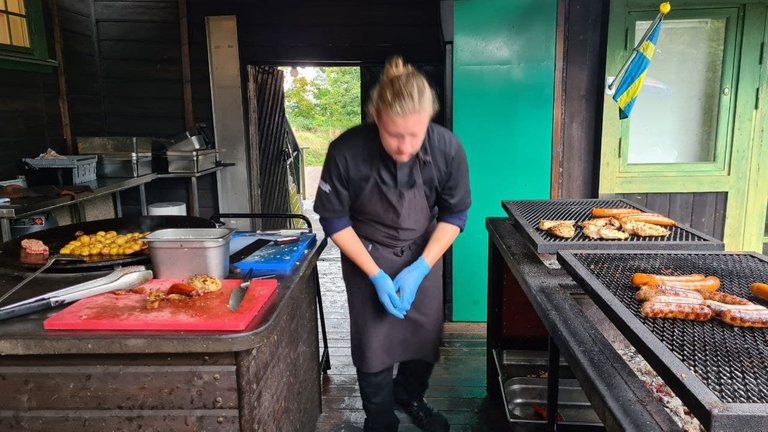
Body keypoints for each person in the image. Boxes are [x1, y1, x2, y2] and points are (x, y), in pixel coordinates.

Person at [314, 56, 471, 432]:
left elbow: (454, 215)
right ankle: (380, 418)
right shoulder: (346, 151)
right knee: (374, 345)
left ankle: (411, 396)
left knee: (424, 337)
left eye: (414, 135)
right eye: (394, 134)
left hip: (424, 253)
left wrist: (421, 267)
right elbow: (335, 220)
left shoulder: (447, 148)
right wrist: (376, 275)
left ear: (428, 119)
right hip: (365, 253)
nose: (405, 146)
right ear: (375, 116)